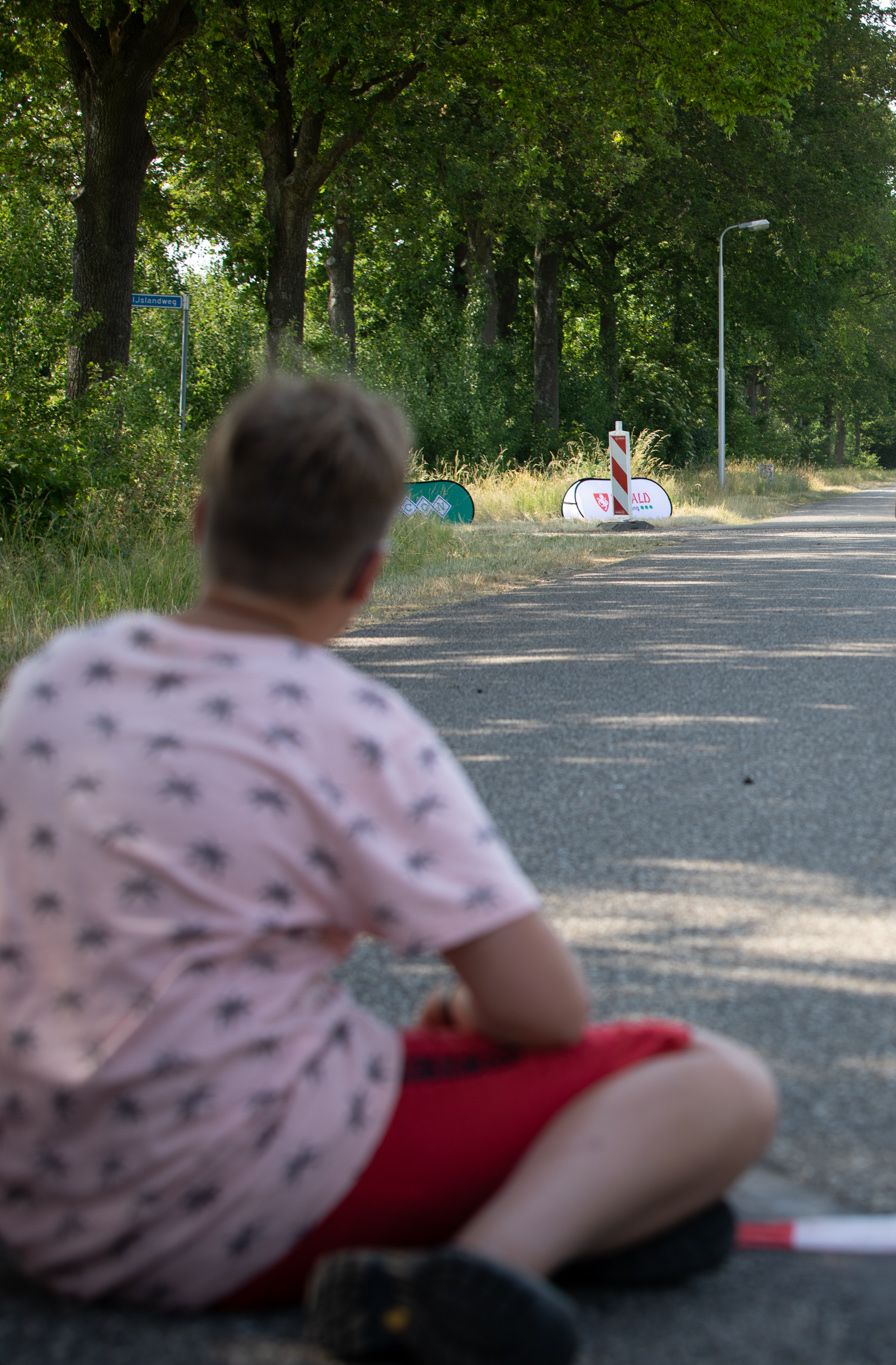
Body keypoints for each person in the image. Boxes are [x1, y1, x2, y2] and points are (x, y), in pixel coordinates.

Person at [0, 376, 777, 1365]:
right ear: (367, 575)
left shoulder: (52, 677)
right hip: (227, 1203)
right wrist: (464, 1021)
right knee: (715, 1082)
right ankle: (483, 1272)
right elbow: (546, 1013)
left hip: (30, 1196)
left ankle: (591, 1216)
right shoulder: (349, 724)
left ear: (200, 522)